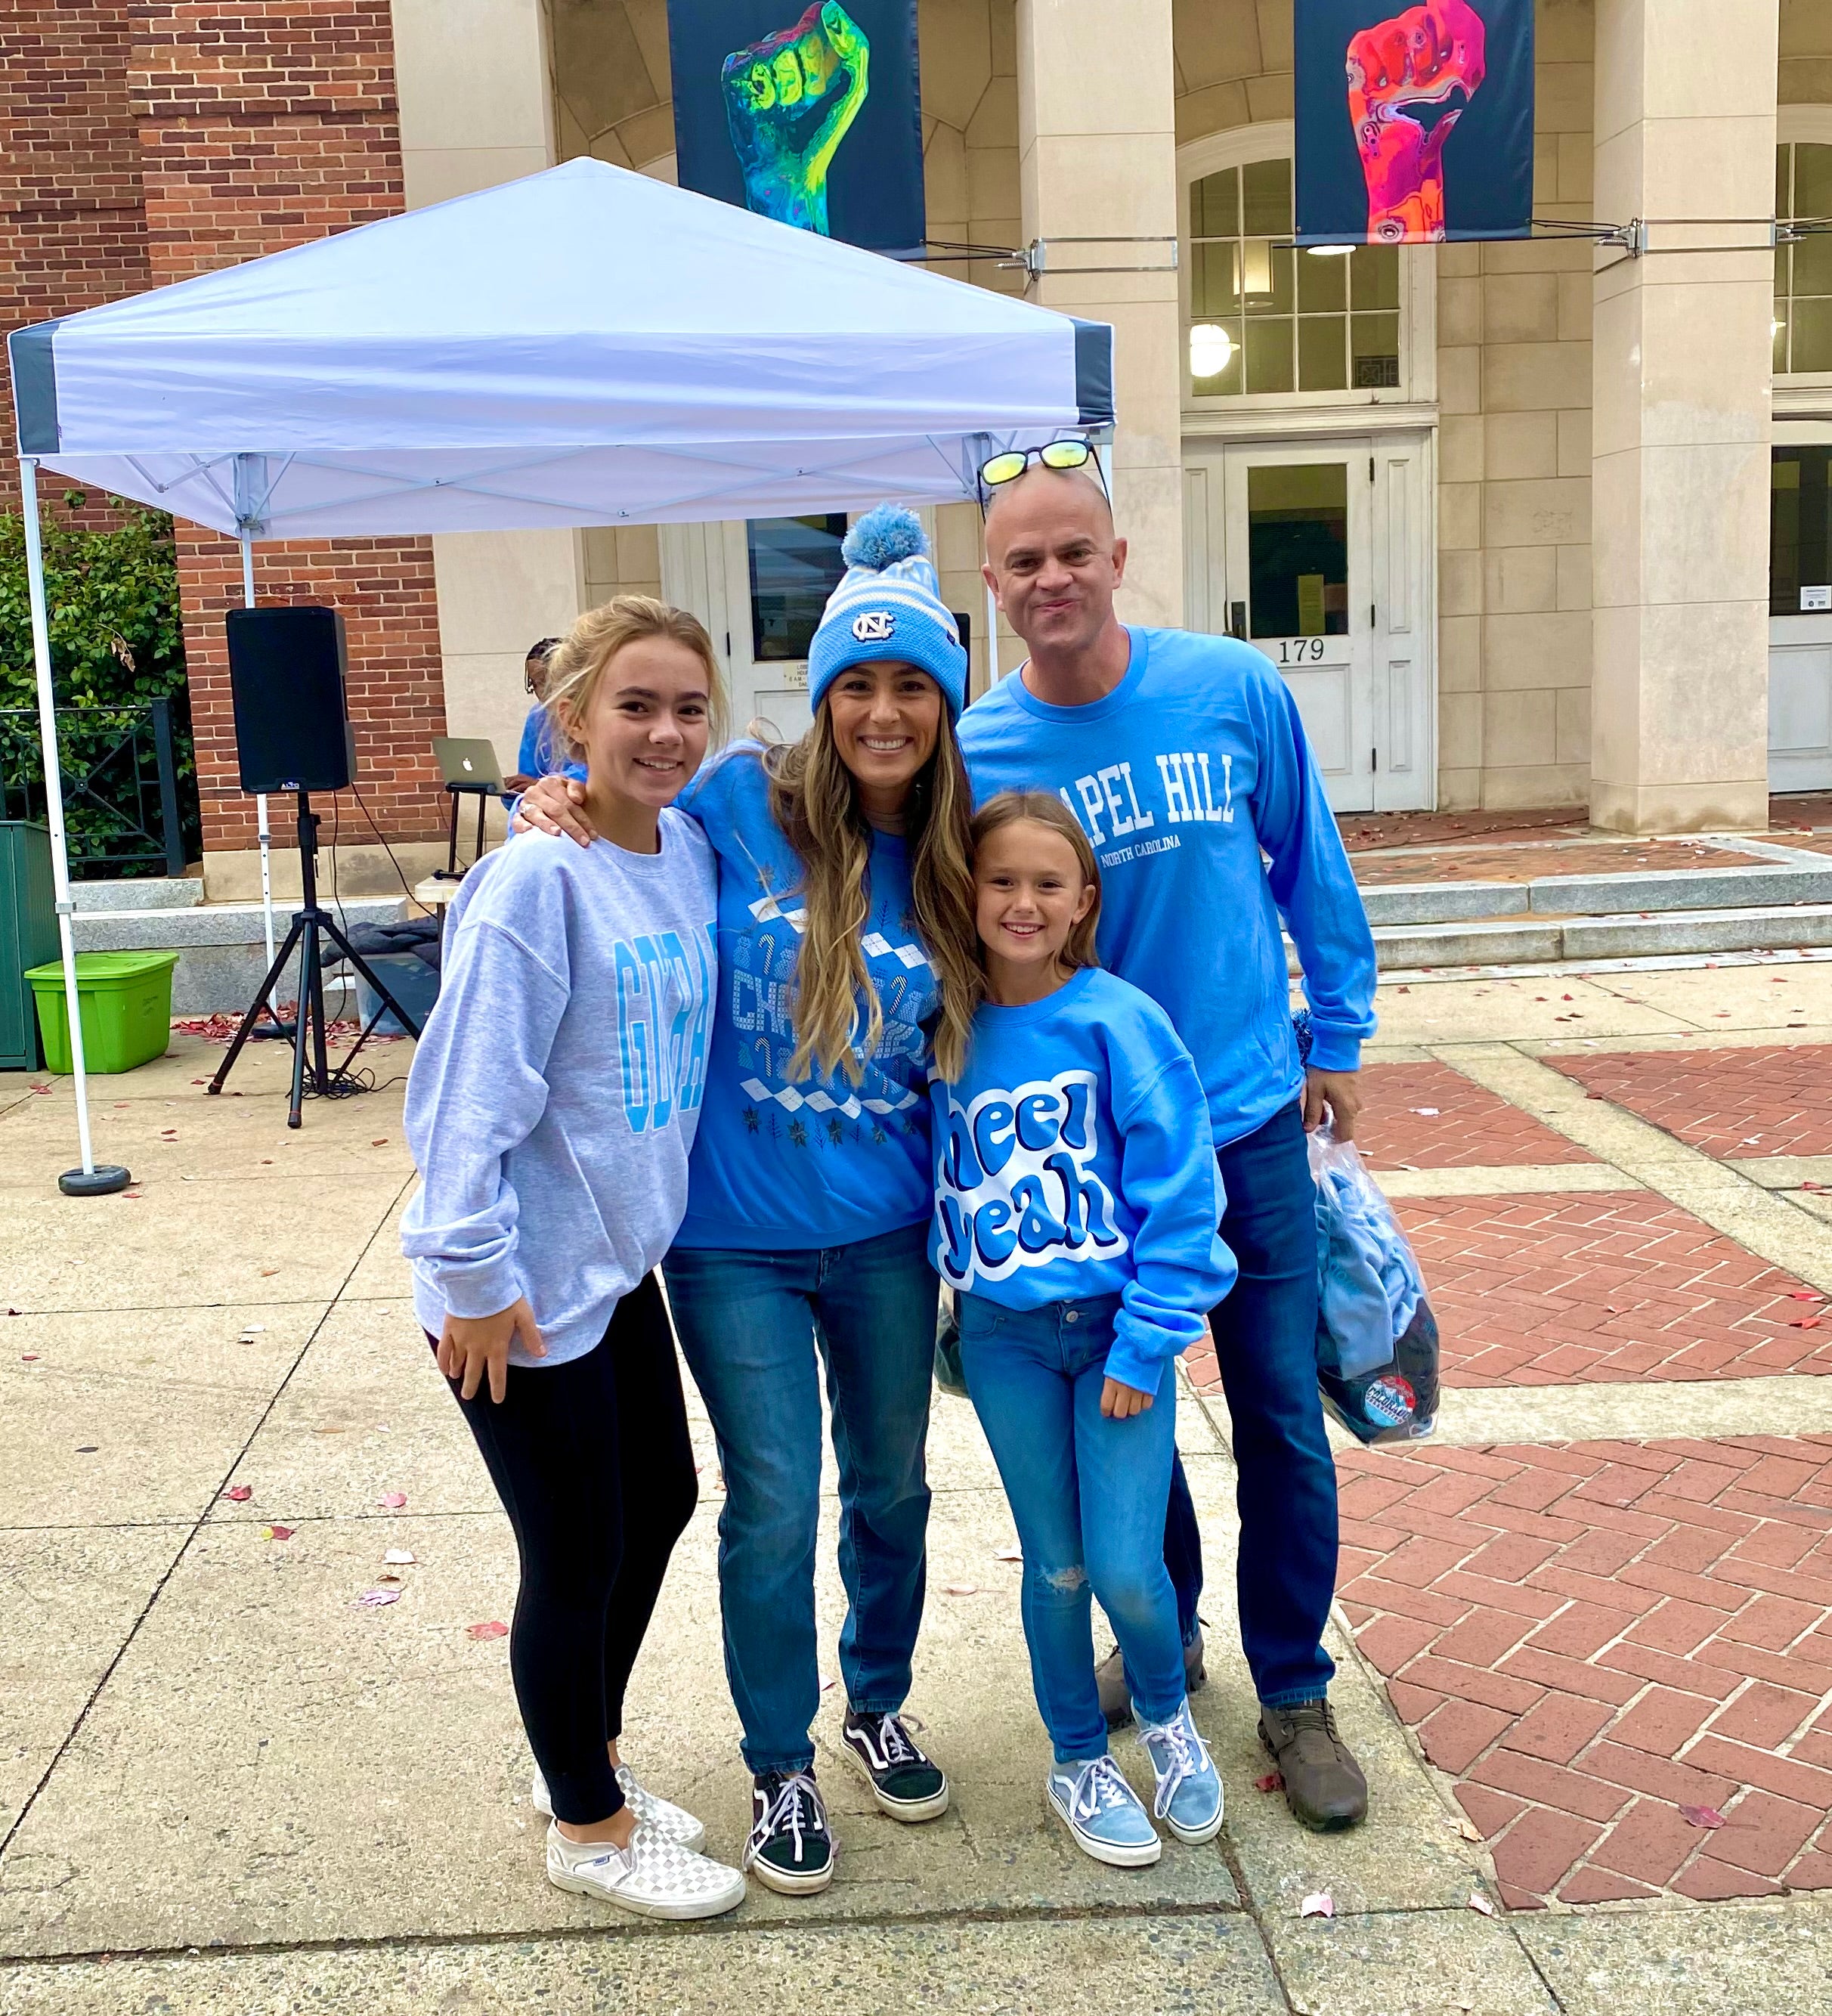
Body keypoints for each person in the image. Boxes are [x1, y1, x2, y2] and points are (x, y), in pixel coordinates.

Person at [514, 507, 980, 1895]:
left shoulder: (957, 854)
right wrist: (553, 795)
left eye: (909, 686)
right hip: (731, 1247)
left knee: (889, 1484)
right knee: (771, 1499)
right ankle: (778, 1759)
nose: (881, 710)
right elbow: (607, 794)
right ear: (821, 696)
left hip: (888, 1237)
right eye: (854, 682)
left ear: (943, 705)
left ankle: (874, 1698)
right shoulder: (732, 800)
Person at [958, 444, 1379, 1833]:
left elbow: (1305, 862)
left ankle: (1294, 1686)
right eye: (1022, 559)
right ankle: (1169, 1630)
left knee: (1273, 1417)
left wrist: (1336, 1034)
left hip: (1246, 1117)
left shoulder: (1229, 689)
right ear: (992, 583)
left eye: (1072, 549)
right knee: (1132, 1397)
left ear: (1116, 555)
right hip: (1087, 1159)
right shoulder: (979, 752)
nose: (1051, 577)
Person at [401, 596, 747, 1919]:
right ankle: (589, 1831)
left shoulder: (684, 851)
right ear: (570, 722)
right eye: (634, 706)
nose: (664, 732)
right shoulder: (534, 880)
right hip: (516, 1286)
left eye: (686, 708)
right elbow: (461, 1103)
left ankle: (578, 1759)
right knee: (575, 1548)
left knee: (654, 1503)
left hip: (611, 1268)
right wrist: (475, 1281)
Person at [934, 791, 1233, 1866]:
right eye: (999, 879)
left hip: (1115, 1335)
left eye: (1045, 883)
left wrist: (1150, 1335)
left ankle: (1166, 1718)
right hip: (1006, 1338)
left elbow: (1181, 1187)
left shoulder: (1117, 1017)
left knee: (1127, 1566)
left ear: (1082, 902)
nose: (1021, 900)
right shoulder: (942, 1020)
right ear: (965, 892)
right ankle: (1076, 1755)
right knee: (1054, 1564)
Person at [500, 636, 580, 799]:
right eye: (535, 684)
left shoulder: (593, 713)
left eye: (545, 680)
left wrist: (544, 786)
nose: (541, 692)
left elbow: (598, 778)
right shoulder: (538, 716)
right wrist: (513, 790)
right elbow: (528, 774)